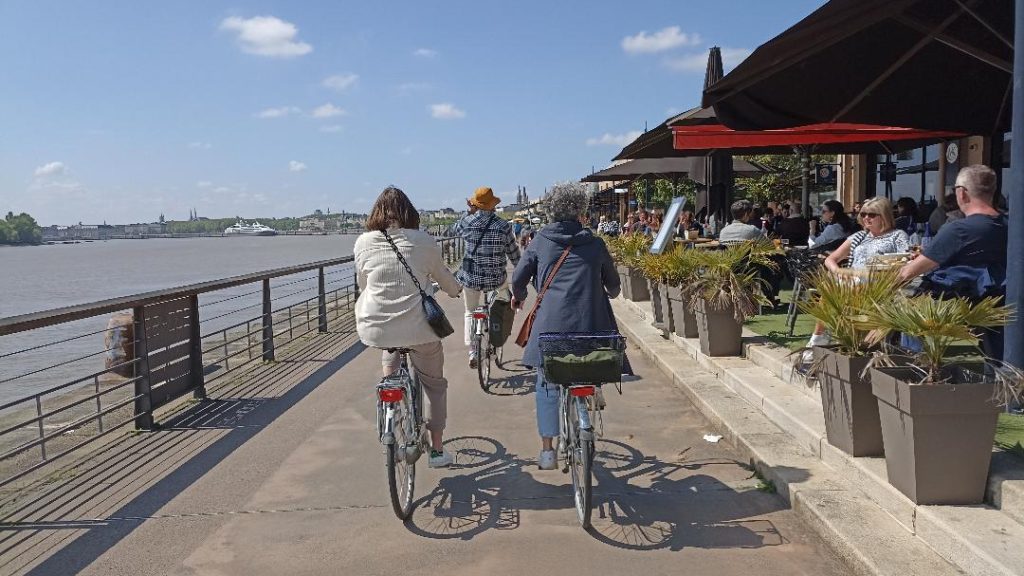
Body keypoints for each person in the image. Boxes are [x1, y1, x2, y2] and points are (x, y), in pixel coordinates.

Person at [510, 182, 621, 470]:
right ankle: (592, 392)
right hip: (592, 330)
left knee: (547, 385)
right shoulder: (596, 244)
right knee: (589, 364)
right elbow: (614, 287)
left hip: (551, 329)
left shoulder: (540, 241)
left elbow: (519, 279)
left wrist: (519, 297)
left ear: (551, 210)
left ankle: (548, 451)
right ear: (581, 211)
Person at [354, 186, 462, 468]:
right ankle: (437, 451)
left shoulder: (363, 243)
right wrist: (454, 290)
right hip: (421, 329)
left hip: (376, 327)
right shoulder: (424, 240)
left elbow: (363, 286)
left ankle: (391, 403)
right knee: (433, 385)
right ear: (410, 213)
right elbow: (442, 275)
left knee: (391, 348)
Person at [899, 165, 1008, 357]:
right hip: (993, 309)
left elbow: (908, 273)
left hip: (946, 310)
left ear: (962, 193)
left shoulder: (958, 229)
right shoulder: (1007, 225)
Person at [804, 196, 910, 353]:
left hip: (879, 284)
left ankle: (820, 340)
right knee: (830, 288)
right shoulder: (860, 236)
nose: (866, 218)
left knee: (835, 289)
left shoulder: (897, 236)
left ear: (884, 216)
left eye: (872, 214)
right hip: (852, 281)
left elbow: (906, 260)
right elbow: (831, 259)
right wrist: (838, 271)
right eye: (864, 214)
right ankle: (819, 338)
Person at [453, 187, 521, 368]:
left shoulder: (467, 222)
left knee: (470, 311)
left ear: (476, 204)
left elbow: (454, 230)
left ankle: (473, 350)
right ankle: (496, 335)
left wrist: (469, 212)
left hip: (471, 279)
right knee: (502, 301)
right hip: (495, 280)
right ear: (493, 205)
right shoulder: (503, 226)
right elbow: (514, 254)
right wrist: (522, 272)